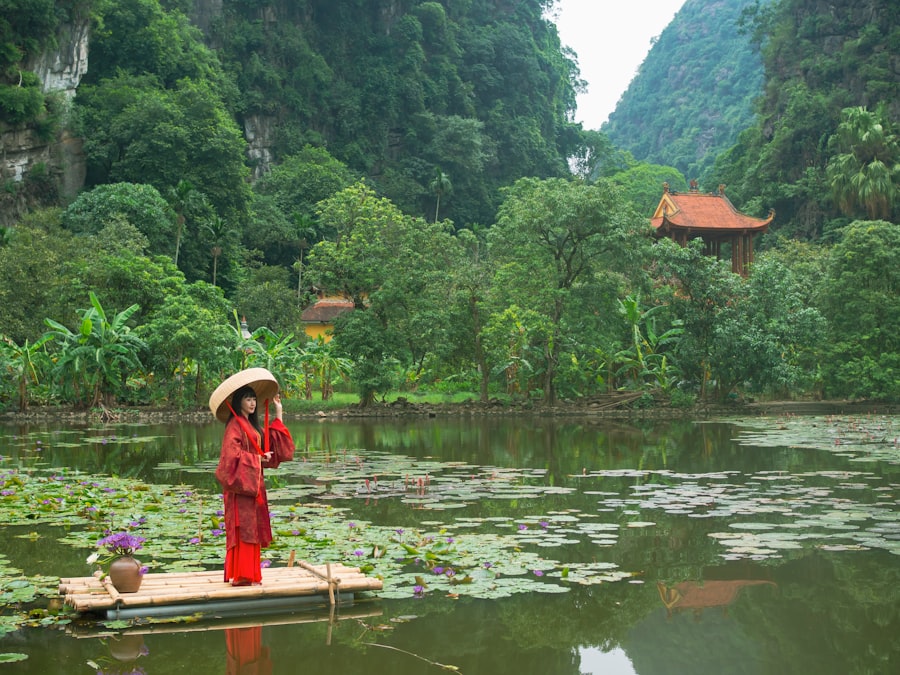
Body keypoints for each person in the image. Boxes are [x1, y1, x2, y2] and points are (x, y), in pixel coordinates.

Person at [213, 378, 294, 586]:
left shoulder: (250, 425)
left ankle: (250, 574)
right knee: (244, 529)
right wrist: (257, 459)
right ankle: (242, 575)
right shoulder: (234, 425)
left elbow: (271, 443)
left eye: (254, 399)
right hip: (240, 488)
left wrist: (278, 411)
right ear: (239, 401)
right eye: (248, 399)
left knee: (253, 529)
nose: (252, 403)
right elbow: (231, 457)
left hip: (254, 485)